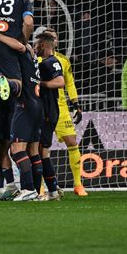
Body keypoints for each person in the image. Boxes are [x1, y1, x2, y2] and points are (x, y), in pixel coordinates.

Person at [0, 31, 43, 202]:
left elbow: (19, 46)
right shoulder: (32, 56)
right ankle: (36, 191)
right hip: (37, 104)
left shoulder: (23, 50)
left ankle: (28, 189)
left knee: (16, 150)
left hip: (24, 104)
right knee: (32, 151)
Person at [35, 27, 88, 197]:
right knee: (40, 147)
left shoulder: (63, 60)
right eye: (51, 37)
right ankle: (42, 186)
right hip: (42, 107)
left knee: (72, 142)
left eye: (56, 37)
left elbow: (69, 83)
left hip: (61, 107)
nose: (54, 40)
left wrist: (76, 103)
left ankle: (78, 184)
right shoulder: (36, 59)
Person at [35, 31, 65, 201]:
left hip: (49, 111)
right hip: (44, 111)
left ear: (44, 45)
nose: (35, 47)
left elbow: (60, 82)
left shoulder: (52, 62)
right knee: (39, 151)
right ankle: (50, 190)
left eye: (37, 44)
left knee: (42, 152)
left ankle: (50, 191)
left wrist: (42, 83)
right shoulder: (43, 63)